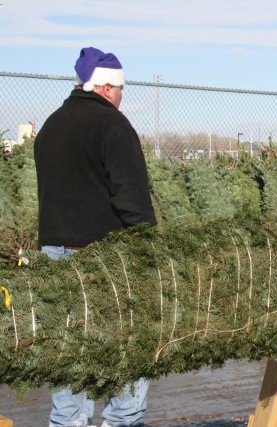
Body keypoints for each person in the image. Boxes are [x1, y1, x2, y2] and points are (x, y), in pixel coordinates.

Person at [34, 47, 157, 427]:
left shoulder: (52, 124)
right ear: (106, 88)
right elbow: (131, 197)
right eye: (121, 89)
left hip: (55, 248)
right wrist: (148, 248)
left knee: (69, 346)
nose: (123, 96)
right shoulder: (114, 127)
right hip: (104, 253)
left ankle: (68, 422)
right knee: (130, 341)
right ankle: (122, 421)